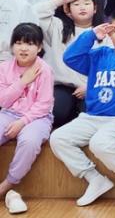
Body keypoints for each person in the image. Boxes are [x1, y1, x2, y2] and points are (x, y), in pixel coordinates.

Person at [49, 7, 115, 208]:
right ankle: (95, 179)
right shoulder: (100, 55)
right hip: (92, 117)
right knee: (58, 138)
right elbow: (70, 57)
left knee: (99, 143)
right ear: (109, 33)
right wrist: (91, 35)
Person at [0, 23, 54, 214]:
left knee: (29, 141)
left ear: (39, 47)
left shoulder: (44, 69)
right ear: (12, 46)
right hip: (8, 113)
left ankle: (7, 185)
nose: (23, 48)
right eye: (18, 43)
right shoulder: (4, 68)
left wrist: (22, 122)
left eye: (30, 44)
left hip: (38, 117)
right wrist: (23, 81)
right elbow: (3, 100)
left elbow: (44, 105)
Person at [34, 0, 105, 127]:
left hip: (91, 87)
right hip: (63, 86)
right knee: (57, 113)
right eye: (76, 4)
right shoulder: (58, 27)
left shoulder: (103, 33)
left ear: (95, 8)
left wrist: (90, 85)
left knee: (91, 118)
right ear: (68, 10)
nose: (82, 7)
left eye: (86, 3)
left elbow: (109, 67)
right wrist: (61, 0)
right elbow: (35, 12)